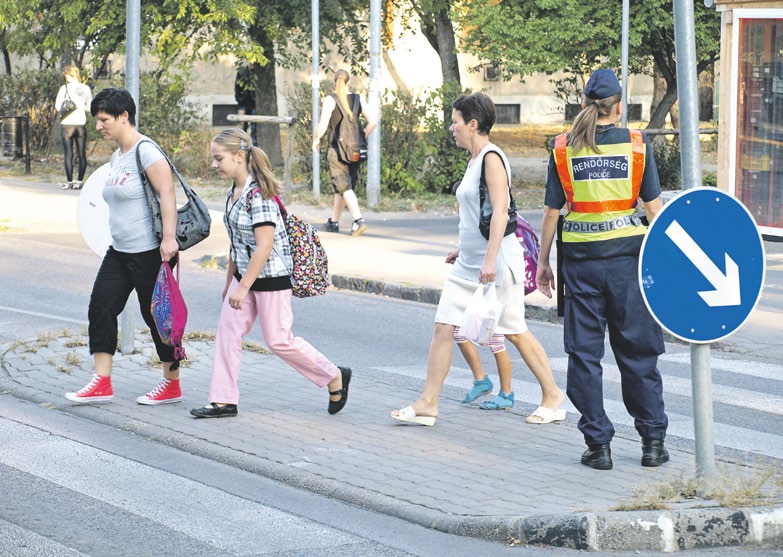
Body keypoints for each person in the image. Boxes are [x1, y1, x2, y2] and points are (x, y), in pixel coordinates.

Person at [390, 92, 565, 426]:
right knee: (443, 326)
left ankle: (553, 395)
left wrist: (489, 258)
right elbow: (476, 215)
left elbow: (500, 211)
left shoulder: (492, 158)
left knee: (514, 330)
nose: (451, 127)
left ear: (472, 124)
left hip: (496, 265)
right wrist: (463, 248)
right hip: (469, 263)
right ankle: (428, 403)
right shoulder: (474, 160)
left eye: (455, 121)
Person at [536, 69, 668, 471]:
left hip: (580, 268)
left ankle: (598, 447)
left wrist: (542, 263)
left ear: (584, 105)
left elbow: (551, 213)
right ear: (619, 106)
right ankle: (652, 443)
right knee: (639, 355)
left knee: (585, 357)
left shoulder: (563, 147)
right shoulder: (637, 145)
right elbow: (654, 211)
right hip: (629, 265)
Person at [190, 128, 351, 418]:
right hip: (245, 278)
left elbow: (263, 248)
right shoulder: (233, 193)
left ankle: (334, 375)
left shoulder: (259, 196)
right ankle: (223, 400)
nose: (214, 165)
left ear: (239, 157)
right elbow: (237, 244)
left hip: (272, 280)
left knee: (278, 340)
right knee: (227, 333)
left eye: (218, 159)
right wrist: (230, 283)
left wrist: (242, 288)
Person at [65, 87, 183, 405]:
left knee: (158, 317)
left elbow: (167, 194)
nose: (99, 126)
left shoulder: (146, 151)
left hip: (151, 251)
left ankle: (171, 384)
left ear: (123, 116)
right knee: (101, 307)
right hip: (119, 251)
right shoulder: (117, 157)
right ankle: (102, 381)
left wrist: (169, 239)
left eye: (104, 120)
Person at [449, 181, 515, 410]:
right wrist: (460, 252)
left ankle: (506, 393)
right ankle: (481, 380)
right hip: (474, 282)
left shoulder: (489, 216)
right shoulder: (470, 219)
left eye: (460, 200)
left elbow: (491, 245)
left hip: (492, 282)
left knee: (496, 339)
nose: (457, 205)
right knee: (458, 331)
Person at [312, 69, 377, 237]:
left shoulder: (330, 100)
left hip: (337, 150)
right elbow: (373, 122)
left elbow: (323, 124)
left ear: (335, 83)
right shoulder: (358, 99)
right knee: (342, 187)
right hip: (355, 149)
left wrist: (316, 139)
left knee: (344, 186)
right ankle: (334, 222)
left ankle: (358, 221)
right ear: (349, 83)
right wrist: (361, 136)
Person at [54, 66, 92, 189]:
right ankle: (79, 182)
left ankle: (69, 181)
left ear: (69, 75)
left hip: (67, 124)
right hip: (80, 124)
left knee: (68, 154)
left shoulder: (64, 88)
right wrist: (81, 108)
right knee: (82, 154)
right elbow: (89, 107)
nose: (65, 77)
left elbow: (58, 106)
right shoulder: (86, 88)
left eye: (66, 75)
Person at [234, 63, 258, 146]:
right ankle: (242, 147)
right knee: (242, 128)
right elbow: (237, 87)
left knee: (254, 129)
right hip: (243, 103)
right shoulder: (242, 71)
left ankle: (254, 148)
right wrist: (239, 99)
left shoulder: (257, 72)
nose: (251, 64)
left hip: (254, 104)